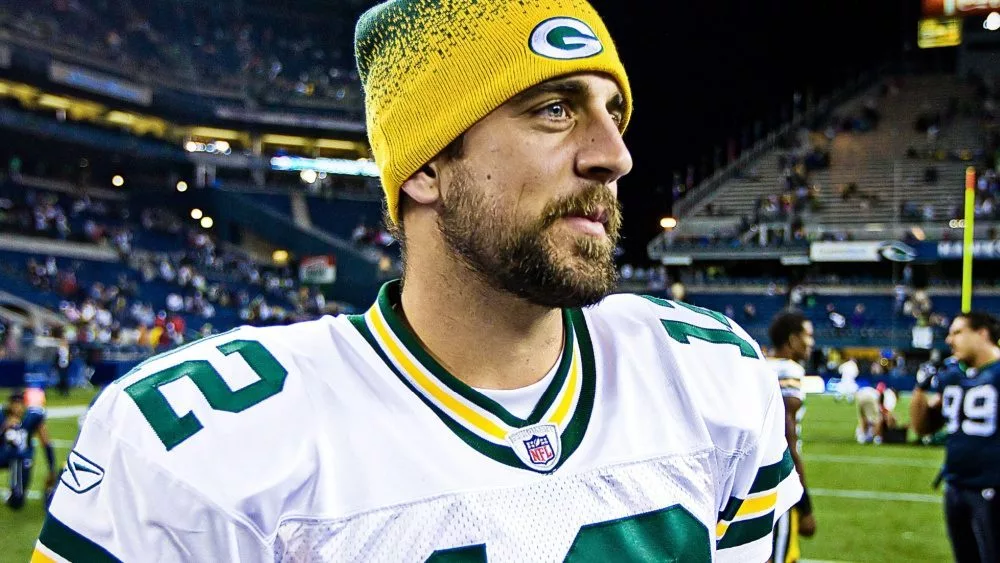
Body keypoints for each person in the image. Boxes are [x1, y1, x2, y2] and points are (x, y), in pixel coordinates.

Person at [36, 2, 800, 561]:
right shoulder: (198, 445)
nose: (614, 155)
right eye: (554, 109)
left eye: (614, 113)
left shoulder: (711, 378)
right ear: (426, 166)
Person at [911, 311, 1000, 563]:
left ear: (982, 334)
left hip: (992, 487)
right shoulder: (953, 377)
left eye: (958, 333)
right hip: (957, 486)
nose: (949, 340)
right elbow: (922, 427)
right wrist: (920, 388)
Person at [767, 311, 817, 563]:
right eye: (807, 335)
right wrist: (804, 502)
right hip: (778, 478)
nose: (811, 342)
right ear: (792, 339)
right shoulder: (789, 369)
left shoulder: (761, 363)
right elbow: (786, 440)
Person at [0, 388, 56, 509]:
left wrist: (51, 469)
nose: (17, 407)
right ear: (9, 404)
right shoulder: (2, 416)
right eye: (14, 403)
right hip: (2, 454)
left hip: (21, 460)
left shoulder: (33, 417)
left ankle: (15, 493)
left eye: (20, 404)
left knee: (17, 502)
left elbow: (46, 443)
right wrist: (4, 428)